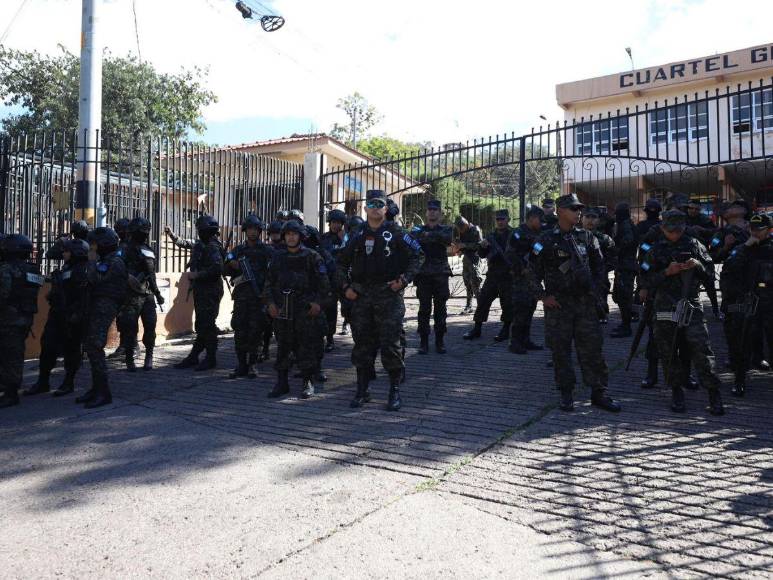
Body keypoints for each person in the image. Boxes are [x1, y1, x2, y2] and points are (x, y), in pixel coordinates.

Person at [528, 193, 621, 413]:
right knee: (560, 351)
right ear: (560, 211)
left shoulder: (587, 238)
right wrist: (543, 296)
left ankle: (599, 392)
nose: (578, 213)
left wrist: (597, 292)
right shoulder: (545, 240)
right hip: (559, 306)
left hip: (585, 304)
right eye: (573, 209)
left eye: (579, 209)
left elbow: (600, 268)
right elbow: (531, 271)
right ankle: (566, 393)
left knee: (592, 350)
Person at [335, 189, 424, 411]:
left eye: (379, 204)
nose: (375, 208)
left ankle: (394, 391)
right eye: (371, 204)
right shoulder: (356, 235)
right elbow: (340, 263)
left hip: (388, 296)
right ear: (365, 208)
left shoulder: (397, 233)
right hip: (362, 297)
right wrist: (345, 287)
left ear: (386, 208)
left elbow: (418, 256)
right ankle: (362, 390)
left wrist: (403, 280)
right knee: (362, 346)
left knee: (391, 345)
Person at [639, 209, 724, 415]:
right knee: (667, 350)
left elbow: (711, 274)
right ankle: (676, 390)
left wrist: (698, 265)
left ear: (684, 227)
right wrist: (666, 272)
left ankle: (713, 392)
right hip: (664, 306)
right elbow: (644, 280)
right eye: (670, 230)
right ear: (662, 228)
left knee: (701, 348)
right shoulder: (654, 250)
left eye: (678, 230)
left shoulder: (695, 245)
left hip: (690, 304)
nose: (675, 234)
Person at [263, 220, 330, 399]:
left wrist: (317, 304)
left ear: (300, 236)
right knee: (283, 346)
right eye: (288, 234)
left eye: (294, 234)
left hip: (304, 309)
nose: (291, 237)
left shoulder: (312, 256)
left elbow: (324, 285)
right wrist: (270, 304)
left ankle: (308, 381)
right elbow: (269, 283)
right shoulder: (277, 257)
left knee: (306, 346)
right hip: (283, 308)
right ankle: (281, 382)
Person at [22, 239, 90, 397]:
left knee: (71, 350)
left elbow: (82, 297)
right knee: (47, 346)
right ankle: (43, 381)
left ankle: (68, 382)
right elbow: (51, 255)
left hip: (71, 317)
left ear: (76, 253)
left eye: (67, 251)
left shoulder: (82, 270)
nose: (64, 254)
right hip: (57, 313)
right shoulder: (67, 267)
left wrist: (75, 315)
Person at [720, 212, 772, 397]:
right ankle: (739, 380)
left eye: (760, 229)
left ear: (769, 230)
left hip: (769, 301)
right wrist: (745, 247)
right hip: (747, 301)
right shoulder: (743, 248)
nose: (755, 232)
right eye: (752, 229)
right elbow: (729, 268)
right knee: (742, 342)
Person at [165, 215, 225, 371]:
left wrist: (198, 275)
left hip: (211, 290)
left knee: (207, 325)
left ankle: (210, 358)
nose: (199, 232)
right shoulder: (200, 244)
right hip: (201, 290)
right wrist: (172, 235)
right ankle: (194, 356)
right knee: (202, 324)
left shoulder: (213, 247)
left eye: (201, 230)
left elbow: (217, 269)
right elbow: (184, 243)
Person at [76, 227, 127, 409]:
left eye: (94, 244)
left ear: (103, 245)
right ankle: (96, 388)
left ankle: (103, 393)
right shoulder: (107, 260)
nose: (92, 247)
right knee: (91, 346)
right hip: (97, 305)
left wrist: (91, 261)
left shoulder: (114, 261)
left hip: (105, 306)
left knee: (95, 345)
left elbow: (95, 279)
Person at [224, 214, 273, 379]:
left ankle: (252, 364)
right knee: (239, 330)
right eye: (250, 229)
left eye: (255, 229)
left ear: (260, 231)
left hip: (259, 298)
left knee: (256, 332)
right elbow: (225, 267)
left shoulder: (267, 251)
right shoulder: (238, 250)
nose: (252, 232)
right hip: (241, 298)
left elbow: (275, 272)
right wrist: (232, 265)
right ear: (245, 231)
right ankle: (241, 365)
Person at [0, 234, 44, 409]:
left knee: (9, 357)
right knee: (14, 355)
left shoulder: (6, 269)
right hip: (24, 318)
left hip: (7, 319)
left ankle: (11, 394)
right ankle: (9, 388)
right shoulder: (33, 270)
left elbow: (3, 295)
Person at [117, 217, 165, 372]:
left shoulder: (148, 250)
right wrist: (127, 277)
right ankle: (129, 358)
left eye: (145, 232)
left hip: (147, 294)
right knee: (129, 328)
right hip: (130, 295)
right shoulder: (123, 249)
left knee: (150, 326)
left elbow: (151, 274)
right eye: (141, 232)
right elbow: (116, 268)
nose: (144, 235)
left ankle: (149, 355)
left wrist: (157, 293)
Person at [463, 209, 514, 342]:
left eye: (502, 219)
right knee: (483, 301)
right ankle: (477, 328)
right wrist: (483, 247)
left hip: (507, 274)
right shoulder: (491, 235)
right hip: (493, 274)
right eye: (498, 219)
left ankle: (505, 329)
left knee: (507, 303)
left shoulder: (514, 234)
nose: (500, 222)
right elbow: (482, 255)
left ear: (508, 219)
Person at [411, 199, 453, 354]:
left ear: (440, 213)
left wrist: (428, 236)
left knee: (441, 310)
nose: (432, 212)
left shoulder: (447, 229)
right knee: (424, 309)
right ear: (426, 213)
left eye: (435, 210)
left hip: (440, 275)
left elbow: (446, 240)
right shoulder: (417, 230)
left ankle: (440, 341)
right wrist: (433, 236)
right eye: (430, 210)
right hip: (423, 275)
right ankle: (424, 342)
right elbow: (413, 241)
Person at [505, 205, 545, 354]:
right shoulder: (518, 233)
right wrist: (521, 268)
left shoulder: (538, 233)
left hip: (533, 277)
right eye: (540, 220)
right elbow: (509, 254)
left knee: (530, 309)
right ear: (532, 218)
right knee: (521, 310)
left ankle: (525, 340)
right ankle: (515, 343)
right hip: (521, 278)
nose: (542, 223)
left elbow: (537, 252)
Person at [582, 206, 616, 324]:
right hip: (579, 279)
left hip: (599, 279)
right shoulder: (573, 237)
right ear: (582, 218)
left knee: (599, 311)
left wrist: (601, 270)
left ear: (599, 220)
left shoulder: (605, 239)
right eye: (587, 217)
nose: (590, 220)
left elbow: (613, 259)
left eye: (594, 217)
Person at [320, 209, 348, 350]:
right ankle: (329, 338)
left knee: (348, 307)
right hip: (329, 280)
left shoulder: (346, 238)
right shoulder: (324, 238)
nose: (336, 225)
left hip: (343, 280)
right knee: (330, 309)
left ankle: (346, 324)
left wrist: (344, 239)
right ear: (329, 223)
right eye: (333, 222)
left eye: (338, 223)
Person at [611, 202, 638, 338]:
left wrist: (616, 249)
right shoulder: (627, 224)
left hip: (626, 266)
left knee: (624, 297)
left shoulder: (625, 225)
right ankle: (625, 323)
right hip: (625, 265)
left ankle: (626, 327)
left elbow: (628, 241)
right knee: (620, 296)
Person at [453, 216, 483, 315]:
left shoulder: (476, 230)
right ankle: (469, 306)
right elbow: (462, 244)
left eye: (461, 228)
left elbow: (480, 245)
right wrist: (460, 250)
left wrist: (465, 245)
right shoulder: (462, 231)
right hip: (466, 259)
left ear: (465, 225)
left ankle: (481, 306)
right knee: (467, 283)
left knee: (475, 282)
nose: (460, 231)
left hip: (475, 259)